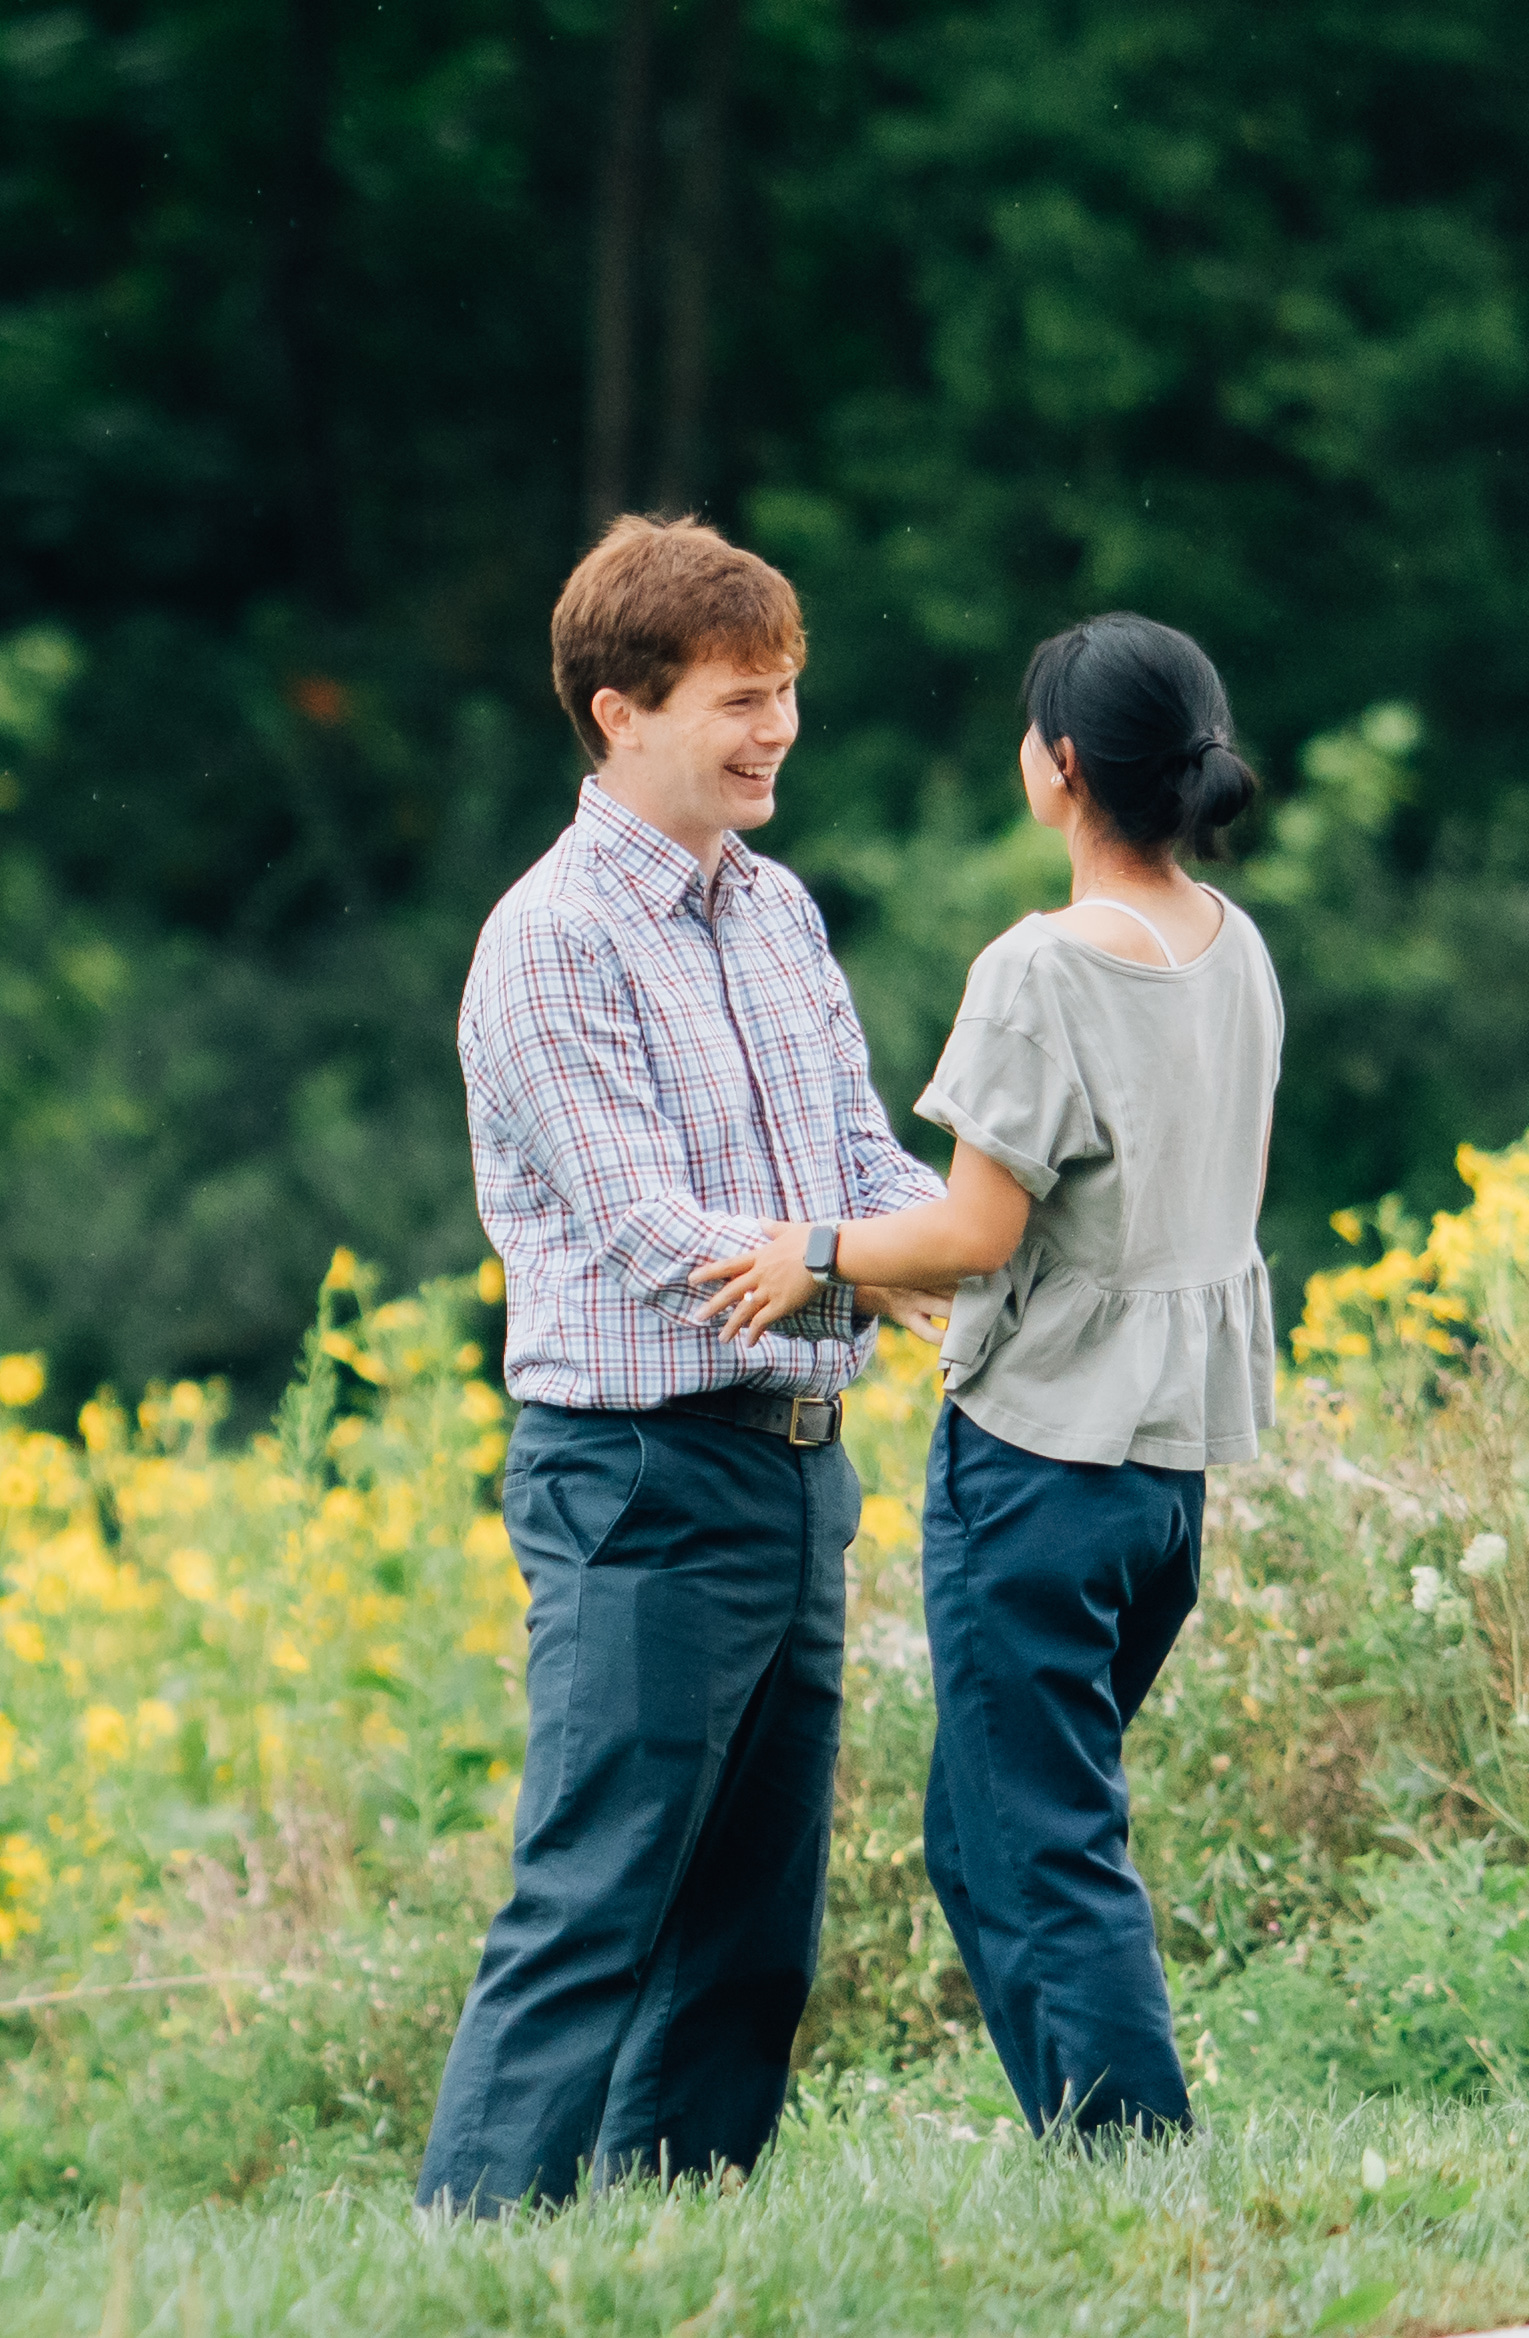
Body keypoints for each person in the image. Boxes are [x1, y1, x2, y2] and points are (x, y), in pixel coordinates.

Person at [414, 516, 947, 2216]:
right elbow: (664, 1242)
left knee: (754, 1916)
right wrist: (870, 1277)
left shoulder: (777, 911)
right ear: (617, 712)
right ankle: (473, 2251)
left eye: (784, 690)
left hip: (796, 1465)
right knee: (596, 1889)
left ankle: (674, 2239)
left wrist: (983, 1242)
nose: (776, 727)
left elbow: (862, 1166)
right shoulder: (550, 938)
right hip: (636, 1474)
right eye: (736, 697)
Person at [692, 610, 1276, 2141]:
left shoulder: (1038, 967)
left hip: (1038, 1466)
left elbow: (970, 1235)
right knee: (982, 1831)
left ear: (1060, 764)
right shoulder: (1232, 948)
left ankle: (1130, 2155)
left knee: (1037, 1836)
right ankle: (1094, 2140)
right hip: (1163, 1478)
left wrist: (814, 1250)